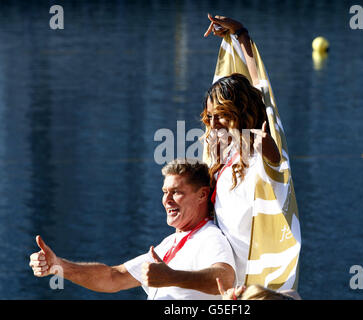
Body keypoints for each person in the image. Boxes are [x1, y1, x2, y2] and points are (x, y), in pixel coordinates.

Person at [29, 159, 236, 300]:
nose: (167, 200)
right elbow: (113, 277)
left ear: (202, 195)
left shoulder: (210, 238)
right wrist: (58, 266)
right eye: (165, 192)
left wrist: (172, 277)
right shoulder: (170, 244)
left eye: (176, 192)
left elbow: (225, 279)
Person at [202, 14, 301, 291]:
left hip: (259, 283)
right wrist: (235, 39)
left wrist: (243, 36)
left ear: (240, 112)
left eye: (220, 115)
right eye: (209, 117)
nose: (212, 124)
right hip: (228, 278)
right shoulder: (222, 157)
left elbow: (262, 92)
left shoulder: (262, 152)